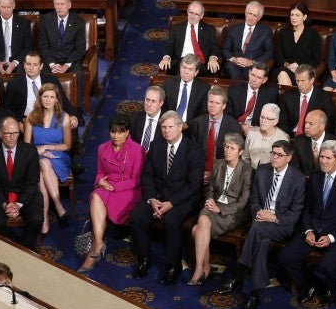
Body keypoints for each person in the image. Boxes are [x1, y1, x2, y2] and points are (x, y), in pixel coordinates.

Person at [216, 140, 305, 309]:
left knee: (256, 229)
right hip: (260, 220)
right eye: (273, 153)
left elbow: (295, 214)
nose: (274, 157)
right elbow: (254, 200)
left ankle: (239, 276)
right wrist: (259, 212)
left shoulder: (298, 179)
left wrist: (273, 217)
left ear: (289, 157)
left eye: (279, 155)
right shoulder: (263, 171)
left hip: (281, 225)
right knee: (262, 243)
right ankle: (255, 294)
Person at [280, 140, 336, 306]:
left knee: (325, 266)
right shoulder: (316, 176)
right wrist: (308, 230)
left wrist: (331, 237)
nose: (323, 161)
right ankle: (308, 284)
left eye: (328, 158)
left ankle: (329, 288)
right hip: (314, 230)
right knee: (285, 257)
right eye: (321, 157)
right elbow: (307, 209)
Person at [130, 111, 204, 283]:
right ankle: (144, 259)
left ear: (180, 127)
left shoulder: (194, 149)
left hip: (183, 198)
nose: (166, 131)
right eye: (163, 127)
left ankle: (172, 266)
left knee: (171, 221)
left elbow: (194, 185)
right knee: (137, 217)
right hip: (157, 196)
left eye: (170, 127)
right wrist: (151, 199)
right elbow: (147, 174)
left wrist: (172, 203)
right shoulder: (157, 145)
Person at [78, 114, 145, 273]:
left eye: (120, 132)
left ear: (127, 132)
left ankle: (95, 249)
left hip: (128, 190)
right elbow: (100, 172)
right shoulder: (102, 148)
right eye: (113, 132)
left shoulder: (137, 150)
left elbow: (136, 181)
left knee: (98, 197)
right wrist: (100, 181)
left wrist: (114, 188)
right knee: (96, 195)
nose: (116, 136)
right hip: (107, 186)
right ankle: (99, 244)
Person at [189, 133, 253, 286]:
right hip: (213, 206)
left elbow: (244, 201)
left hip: (232, 212)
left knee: (196, 230)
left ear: (241, 152)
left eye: (232, 148)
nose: (227, 150)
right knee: (203, 219)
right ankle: (201, 267)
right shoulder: (218, 164)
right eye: (226, 147)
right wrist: (210, 200)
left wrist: (220, 209)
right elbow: (210, 188)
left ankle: (204, 267)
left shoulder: (247, 170)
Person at [0, 116, 43, 251]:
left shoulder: (29, 150)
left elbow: (32, 181)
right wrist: (5, 204)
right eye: (8, 133)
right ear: (0, 134)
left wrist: (18, 204)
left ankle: (22, 249)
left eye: (15, 133)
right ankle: (22, 247)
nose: (12, 137)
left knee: (36, 219)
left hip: (25, 195)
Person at [24, 83, 72, 234]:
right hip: (37, 154)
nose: (48, 100)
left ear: (57, 99)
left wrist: (48, 148)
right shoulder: (31, 117)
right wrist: (39, 150)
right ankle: (56, 209)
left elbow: (67, 145)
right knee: (40, 171)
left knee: (43, 164)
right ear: (40, 98)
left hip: (58, 155)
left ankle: (49, 213)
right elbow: (26, 146)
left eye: (52, 97)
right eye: (45, 96)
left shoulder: (64, 117)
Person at [39, 0, 86, 118]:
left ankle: (77, 111)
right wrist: (52, 64)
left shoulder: (78, 22)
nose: (59, 7)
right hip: (51, 60)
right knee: (39, 75)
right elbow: (43, 46)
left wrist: (66, 65)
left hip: (70, 60)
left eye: (62, 4)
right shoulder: (46, 20)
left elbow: (80, 49)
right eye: (56, 4)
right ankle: (44, 110)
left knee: (79, 75)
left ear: (69, 5)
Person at [3, 51, 78, 130]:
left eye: (35, 65)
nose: (31, 68)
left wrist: (73, 116)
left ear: (41, 66)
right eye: (28, 64)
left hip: (50, 119)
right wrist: (18, 123)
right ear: (24, 65)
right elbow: (8, 110)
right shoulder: (14, 83)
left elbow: (63, 101)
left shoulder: (52, 80)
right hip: (26, 120)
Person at [187, 87, 241, 183]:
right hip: (198, 172)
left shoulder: (233, 125)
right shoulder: (197, 123)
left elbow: (232, 156)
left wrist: (214, 173)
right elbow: (193, 153)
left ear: (224, 105)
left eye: (217, 103)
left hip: (222, 174)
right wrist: (200, 172)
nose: (212, 106)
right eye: (210, 102)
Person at [158, 1, 221, 76]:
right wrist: (166, 57)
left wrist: (213, 58)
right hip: (181, 60)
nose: (193, 16)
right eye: (191, 13)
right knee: (182, 69)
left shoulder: (209, 29)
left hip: (199, 63)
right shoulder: (177, 28)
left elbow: (215, 47)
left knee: (196, 72)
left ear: (201, 16)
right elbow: (169, 46)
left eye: (196, 14)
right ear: (187, 12)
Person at [273, 3, 322, 87]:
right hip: (284, 68)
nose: (293, 18)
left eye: (297, 15)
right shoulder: (284, 33)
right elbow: (278, 56)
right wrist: (286, 65)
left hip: (303, 71)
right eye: (292, 15)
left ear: (304, 17)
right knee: (283, 73)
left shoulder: (313, 34)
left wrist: (299, 65)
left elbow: (316, 59)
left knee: (290, 76)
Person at [222, 1, 273, 80]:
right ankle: (241, 90)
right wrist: (234, 59)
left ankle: (240, 90)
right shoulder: (234, 29)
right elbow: (225, 50)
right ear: (245, 13)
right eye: (250, 13)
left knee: (252, 72)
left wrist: (252, 62)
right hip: (234, 64)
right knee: (230, 68)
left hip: (253, 65)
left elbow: (269, 52)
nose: (251, 17)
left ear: (259, 18)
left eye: (255, 15)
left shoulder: (266, 31)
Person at [280, 64, 334, 137]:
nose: (299, 84)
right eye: (297, 81)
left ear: (312, 80)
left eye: (303, 81)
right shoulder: (288, 96)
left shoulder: (324, 97)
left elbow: (327, 125)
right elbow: (283, 122)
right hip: (290, 136)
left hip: (311, 138)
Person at [226, 62, 278, 135]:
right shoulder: (234, 90)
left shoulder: (270, 93)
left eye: (259, 77)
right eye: (252, 75)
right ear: (249, 73)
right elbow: (228, 115)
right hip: (235, 129)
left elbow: (271, 118)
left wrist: (255, 129)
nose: (254, 79)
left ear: (264, 80)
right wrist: (240, 126)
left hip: (258, 132)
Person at [291, 109, 336, 178]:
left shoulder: (335, 143)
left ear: (322, 126)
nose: (306, 126)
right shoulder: (300, 140)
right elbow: (295, 167)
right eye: (305, 123)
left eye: (311, 124)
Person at [162, 54, 209, 125]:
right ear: (180, 68)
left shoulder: (203, 88)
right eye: (184, 67)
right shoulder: (168, 84)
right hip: (169, 125)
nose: (186, 72)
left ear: (196, 73)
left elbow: (203, 114)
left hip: (191, 128)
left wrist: (187, 125)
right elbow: (162, 107)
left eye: (190, 69)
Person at [242, 103, 289, 169]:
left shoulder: (283, 137)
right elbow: (245, 158)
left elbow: (281, 164)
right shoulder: (251, 132)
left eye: (268, 119)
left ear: (275, 121)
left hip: (270, 174)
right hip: (250, 172)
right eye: (262, 117)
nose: (263, 121)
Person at [129, 85, 165, 152]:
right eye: (147, 100)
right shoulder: (134, 117)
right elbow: (129, 141)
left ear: (161, 103)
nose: (149, 104)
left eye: (153, 101)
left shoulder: (166, 122)